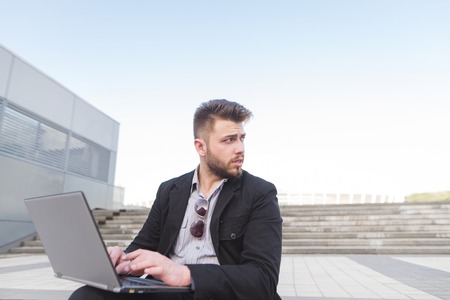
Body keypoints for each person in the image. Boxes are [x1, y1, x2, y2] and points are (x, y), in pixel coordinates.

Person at [69, 99, 283, 300]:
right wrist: (121, 259)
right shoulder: (170, 190)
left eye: (241, 138)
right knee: (86, 296)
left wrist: (185, 274)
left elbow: (263, 279)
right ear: (201, 147)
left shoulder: (259, 192)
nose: (240, 149)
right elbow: (143, 245)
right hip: (164, 291)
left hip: (214, 292)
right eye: (229, 140)